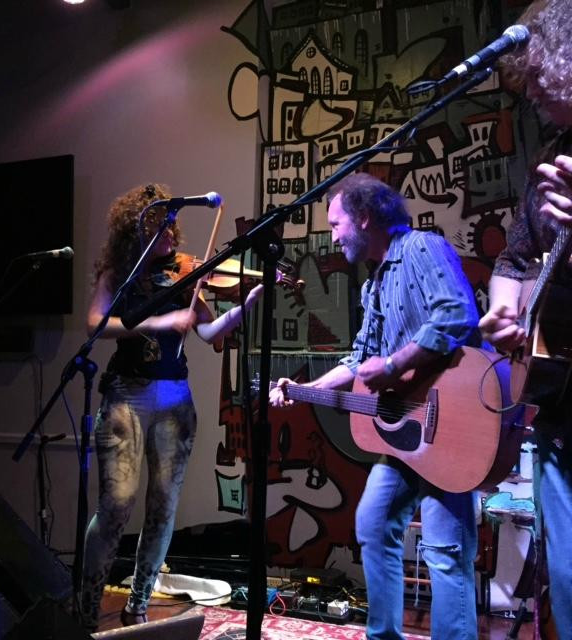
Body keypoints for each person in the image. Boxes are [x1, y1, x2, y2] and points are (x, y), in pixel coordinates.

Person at [270, 173, 480, 639]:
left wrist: (394, 364)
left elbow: (457, 315)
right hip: (407, 438)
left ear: (364, 217)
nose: (333, 236)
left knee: (445, 552)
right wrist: (304, 388)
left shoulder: (421, 248)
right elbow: (360, 360)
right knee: (374, 524)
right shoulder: (373, 286)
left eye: (336, 224)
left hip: (453, 429)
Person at [80, 183, 262, 631]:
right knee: (117, 503)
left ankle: (139, 603)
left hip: (174, 398)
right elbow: (96, 323)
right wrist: (162, 320)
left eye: (171, 227)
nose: (168, 234)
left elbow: (210, 333)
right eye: (158, 226)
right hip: (126, 394)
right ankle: (86, 604)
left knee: (163, 507)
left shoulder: (185, 274)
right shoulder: (119, 272)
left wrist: (245, 306)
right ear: (136, 230)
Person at [479, 1, 572, 637]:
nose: (530, 91)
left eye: (539, 75)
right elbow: (514, 258)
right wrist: (504, 306)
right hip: (560, 407)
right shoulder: (554, 152)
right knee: (564, 581)